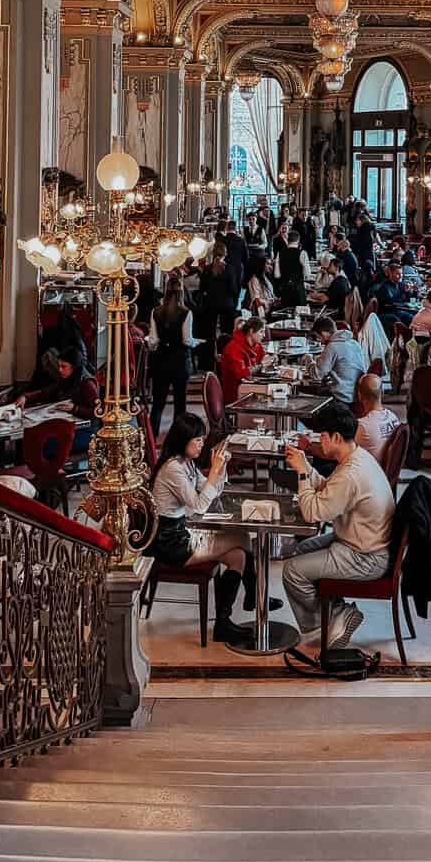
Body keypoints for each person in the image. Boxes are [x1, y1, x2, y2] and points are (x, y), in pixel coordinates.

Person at [281, 400, 395, 653]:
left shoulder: (350, 473)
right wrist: (307, 467)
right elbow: (328, 490)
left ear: (335, 437)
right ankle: (334, 613)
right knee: (303, 551)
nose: (318, 441)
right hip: (359, 542)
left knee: (291, 571)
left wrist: (301, 475)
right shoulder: (356, 457)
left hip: (364, 556)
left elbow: (313, 513)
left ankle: (337, 612)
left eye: (321, 436)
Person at [150, 414, 253, 645]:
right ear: (182, 440)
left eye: (202, 439)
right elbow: (197, 506)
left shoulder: (186, 464)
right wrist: (214, 472)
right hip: (171, 543)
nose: (202, 444)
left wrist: (221, 468)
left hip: (181, 534)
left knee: (237, 556)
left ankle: (224, 624)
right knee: (242, 537)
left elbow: (211, 491)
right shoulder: (172, 469)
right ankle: (254, 594)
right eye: (197, 440)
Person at [148, 285, 197, 435]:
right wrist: (196, 342)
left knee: (158, 402)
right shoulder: (186, 313)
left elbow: (153, 340)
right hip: (179, 360)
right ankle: (179, 435)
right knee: (180, 402)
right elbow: (187, 340)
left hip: (161, 359)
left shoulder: (156, 311)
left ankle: (151, 435)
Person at [195, 254, 239, 371]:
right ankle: (227, 362)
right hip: (227, 307)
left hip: (210, 307)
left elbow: (202, 288)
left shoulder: (207, 270)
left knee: (209, 337)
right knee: (227, 337)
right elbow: (234, 289)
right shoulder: (229, 269)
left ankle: (208, 364)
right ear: (225, 254)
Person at [312, 314, 368, 402]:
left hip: (343, 397)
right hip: (357, 394)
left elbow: (317, 375)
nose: (321, 342)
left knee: (310, 395)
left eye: (319, 338)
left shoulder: (332, 347)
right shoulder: (354, 343)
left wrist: (308, 360)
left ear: (324, 333)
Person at [220, 316, 267, 406]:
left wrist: (269, 362)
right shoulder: (234, 348)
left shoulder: (255, 344)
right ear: (251, 331)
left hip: (249, 387)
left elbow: (261, 358)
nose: (264, 335)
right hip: (236, 395)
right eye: (261, 332)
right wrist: (261, 365)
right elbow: (241, 373)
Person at [354, 372, 399, 461]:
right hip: (385, 470)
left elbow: (350, 454)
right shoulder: (394, 418)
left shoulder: (362, 425)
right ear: (382, 393)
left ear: (359, 396)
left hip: (368, 471)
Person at [273, 221, 309, 310]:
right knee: (300, 315)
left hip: (285, 290)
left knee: (286, 314)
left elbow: (276, 275)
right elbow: (307, 275)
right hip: (298, 290)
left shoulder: (279, 253)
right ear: (298, 240)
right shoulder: (302, 253)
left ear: (288, 240)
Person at [373, 260, 414, 337]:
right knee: (405, 318)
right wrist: (403, 293)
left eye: (401, 273)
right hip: (388, 312)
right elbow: (391, 302)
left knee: (413, 317)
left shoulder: (400, 284)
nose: (400, 276)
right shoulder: (385, 287)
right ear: (391, 274)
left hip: (399, 310)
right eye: (397, 274)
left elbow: (407, 300)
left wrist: (411, 291)